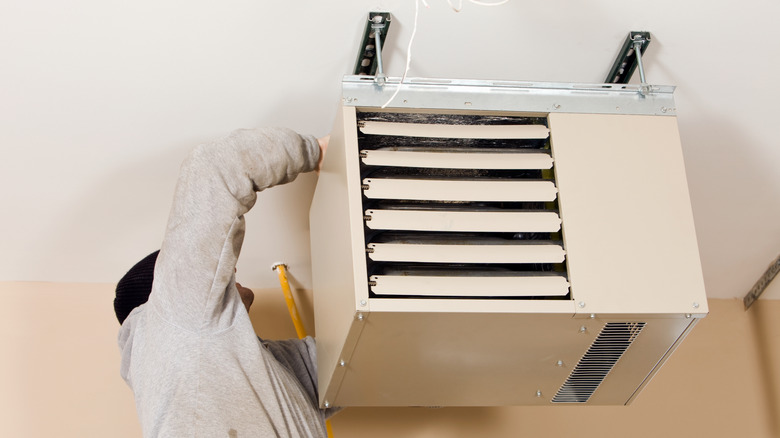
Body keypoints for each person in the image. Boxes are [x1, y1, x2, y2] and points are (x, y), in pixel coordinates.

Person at [114, 128, 334, 437]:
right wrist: (321, 152)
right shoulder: (175, 312)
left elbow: (340, 368)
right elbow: (211, 168)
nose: (227, 271)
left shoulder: (228, 366)